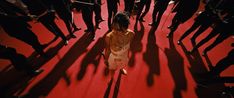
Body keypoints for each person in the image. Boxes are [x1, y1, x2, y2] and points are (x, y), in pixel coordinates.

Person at [104, 12, 135, 77]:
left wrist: (127, 55)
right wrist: (106, 60)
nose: (117, 32)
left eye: (121, 30)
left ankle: (121, 68)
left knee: (122, 64)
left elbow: (128, 47)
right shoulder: (109, 37)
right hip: (113, 57)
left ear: (126, 27)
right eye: (115, 29)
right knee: (112, 69)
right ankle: (111, 78)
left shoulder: (131, 34)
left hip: (123, 55)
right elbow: (107, 50)